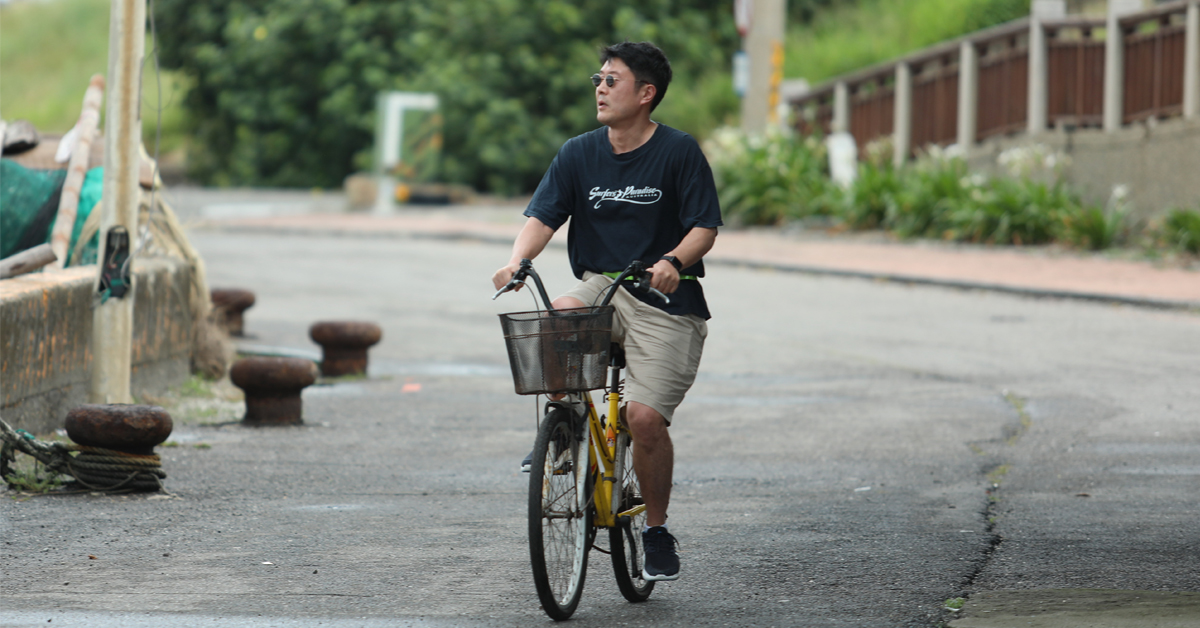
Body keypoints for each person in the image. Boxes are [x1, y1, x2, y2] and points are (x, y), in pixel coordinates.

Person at [492, 41, 722, 582]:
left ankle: (658, 530)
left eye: (611, 80)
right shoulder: (578, 153)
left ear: (646, 94)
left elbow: (704, 227)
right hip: (603, 284)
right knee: (563, 311)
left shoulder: (679, 151)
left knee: (643, 419)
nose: (599, 87)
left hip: (666, 297)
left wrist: (673, 259)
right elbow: (543, 217)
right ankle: (567, 424)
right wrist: (516, 262)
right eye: (597, 78)